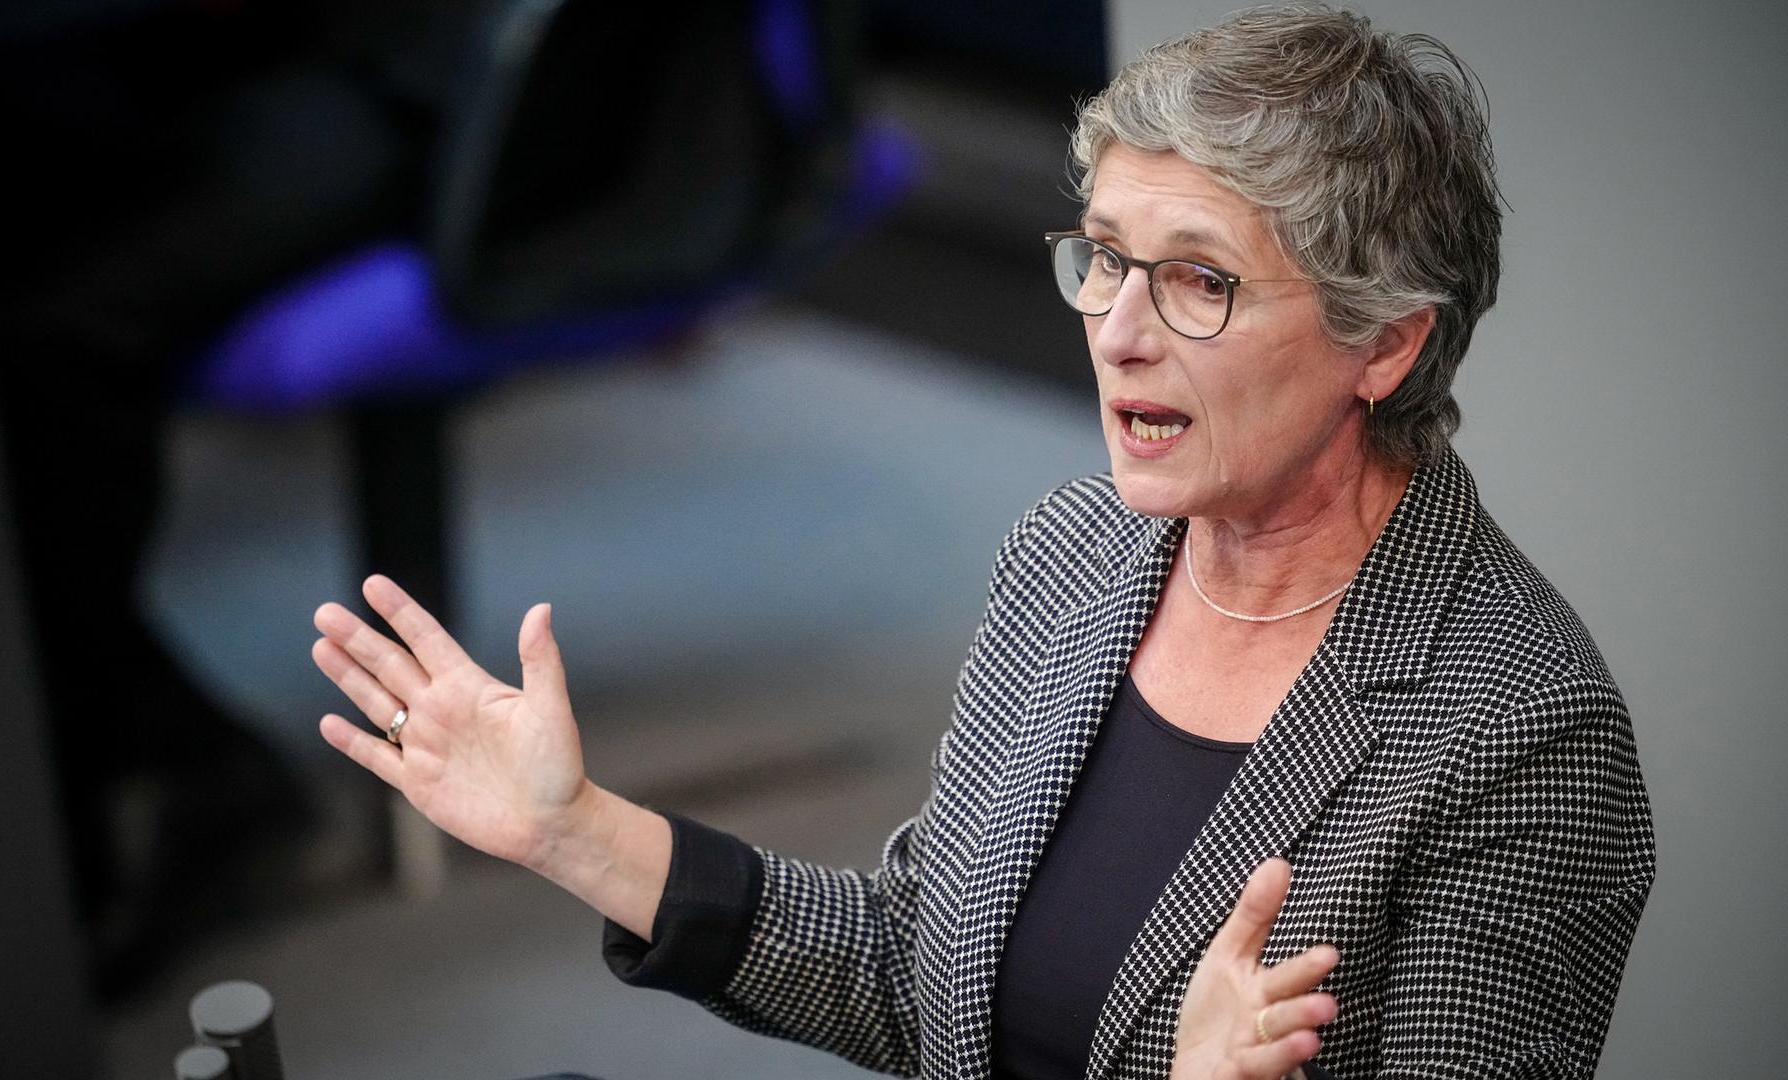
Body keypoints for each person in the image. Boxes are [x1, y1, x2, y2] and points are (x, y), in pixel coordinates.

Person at [310, 7, 1656, 1078]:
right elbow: (915, 983)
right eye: (1104, 257)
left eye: (1199, 280)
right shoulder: (1072, 553)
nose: (1118, 326)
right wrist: (577, 832)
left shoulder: (1519, 730)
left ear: (1386, 341)